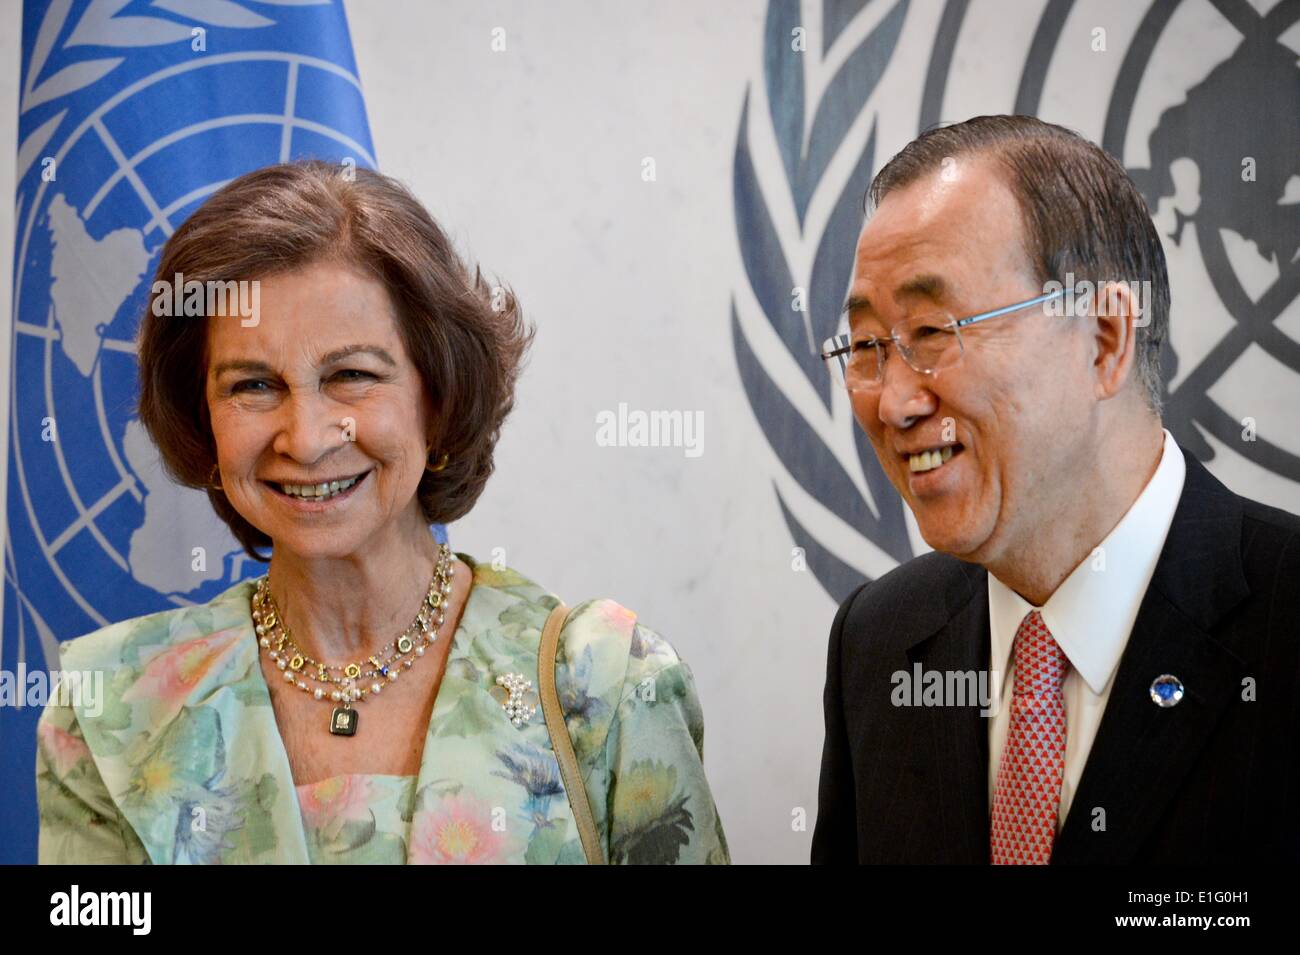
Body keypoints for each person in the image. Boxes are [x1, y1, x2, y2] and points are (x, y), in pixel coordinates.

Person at [36, 160, 728, 865]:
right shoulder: (111, 711)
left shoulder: (608, 683)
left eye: (353, 375)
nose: (305, 438)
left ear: (438, 396)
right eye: (252, 384)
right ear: (201, 418)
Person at [811, 115, 1300, 864]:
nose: (893, 402)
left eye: (934, 332)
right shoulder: (879, 644)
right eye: (869, 346)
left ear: (1103, 338)